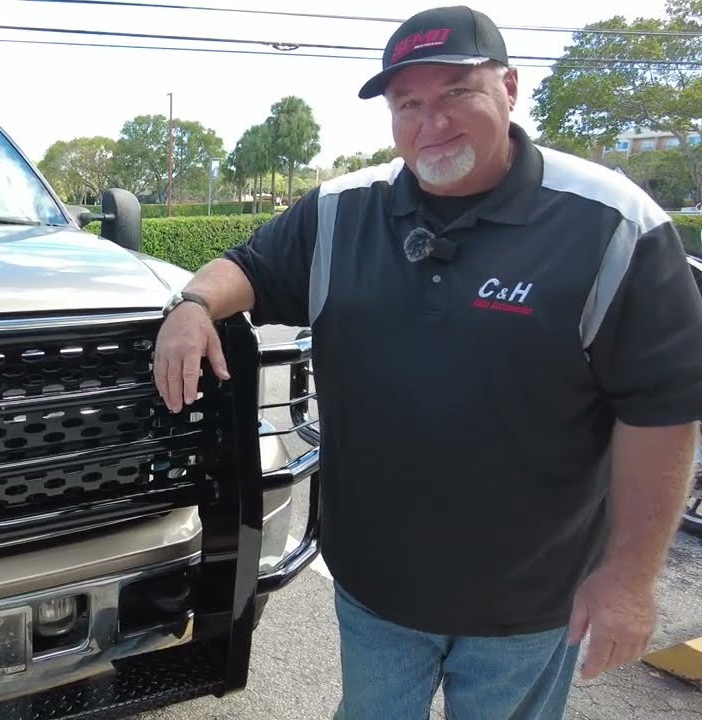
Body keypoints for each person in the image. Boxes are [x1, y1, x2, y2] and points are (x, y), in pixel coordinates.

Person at [153, 5, 702, 719]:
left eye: (455, 93)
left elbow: (661, 411)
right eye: (408, 102)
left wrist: (629, 581)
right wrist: (192, 304)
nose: (430, 121)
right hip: (375, 590)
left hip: (529, 604)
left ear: (509, 87)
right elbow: (250, 265)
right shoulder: (340, 211)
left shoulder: (612, 224)